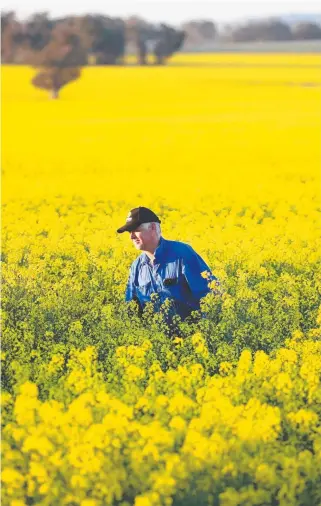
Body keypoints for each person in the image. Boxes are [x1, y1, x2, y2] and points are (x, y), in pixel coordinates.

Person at [117, 206, 220, 322]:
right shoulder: (136, 267)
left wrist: (204, 333)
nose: (131, 236)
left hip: (192, 336)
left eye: (136, 230)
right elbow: (131, 310)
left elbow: (211, 296)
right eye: (129, 232)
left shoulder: (182, 254)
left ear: (153, 228)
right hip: (155, 338)